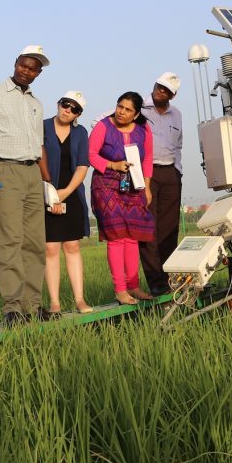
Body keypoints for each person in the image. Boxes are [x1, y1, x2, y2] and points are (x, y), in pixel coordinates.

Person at [0, 45, 52, 325]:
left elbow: (40, 146)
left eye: (33, 69)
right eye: (24, 65)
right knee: (10, 241)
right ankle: (12, 308)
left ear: (38, 73)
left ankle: (33, 305)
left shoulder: (36, 104)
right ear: (16, 62)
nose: (27, 71)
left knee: (34, 243)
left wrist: (48, 183)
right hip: (3, 171)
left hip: (32, 174)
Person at [88, 91, 155, 305]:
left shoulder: (144, 130)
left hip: (134, 185)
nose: (122, 112)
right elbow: (90, 155)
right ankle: (120, 290)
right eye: (120, 107)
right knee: (116, 237)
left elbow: (149, 158)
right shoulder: (103, 126)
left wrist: (147, 187)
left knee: (132, 236)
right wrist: (112, 165)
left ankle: (133, 286)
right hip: (106, 185)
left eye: (127, 110)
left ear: (135, 114)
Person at [42, 91, 93, 315]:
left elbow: (83, 165)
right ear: (58, 103)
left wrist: (65, 193)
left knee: (72, 245)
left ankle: (79, 299)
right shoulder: (41, 126)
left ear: (78, 114)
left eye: (74, 109)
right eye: (65, 105)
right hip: (45, 190)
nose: (68, 111)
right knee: (50, 247)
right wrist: (51, 194)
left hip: (71, 193)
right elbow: (35, 159)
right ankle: (54, 303)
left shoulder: (81, 133)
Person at [140, 72, 185, 296]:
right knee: (148, 228)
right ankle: (155, 281)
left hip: (170, 173)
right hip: (144, 174)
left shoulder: (176, 115)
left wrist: (177, 170)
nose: (161, 91)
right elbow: (101, 121)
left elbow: (178, 145)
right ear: (154, 84)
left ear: (172, 95)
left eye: (167, 90)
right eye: (160, 86)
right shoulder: (138, 107)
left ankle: (170, 278)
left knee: (169, 229)